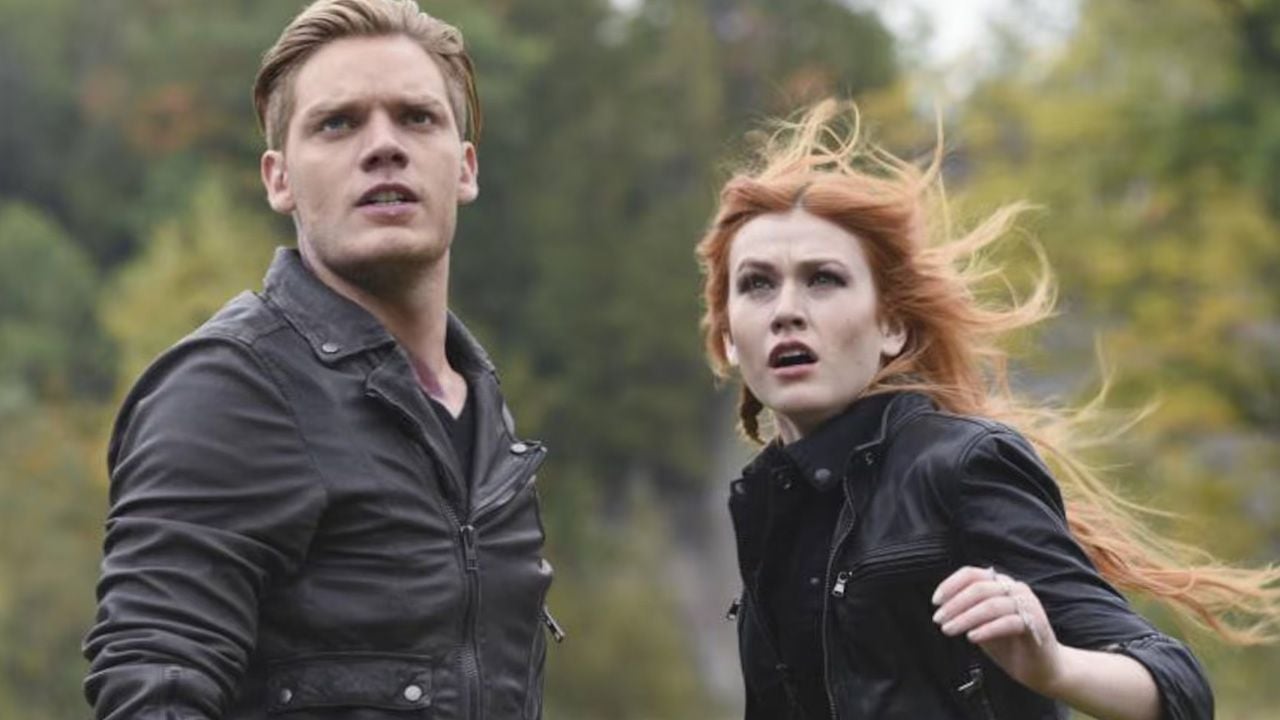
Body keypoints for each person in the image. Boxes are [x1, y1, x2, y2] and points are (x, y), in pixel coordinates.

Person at [696, 99, 1280, 720]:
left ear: (891, 325)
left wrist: (1053, 665)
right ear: (729, 335)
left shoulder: (959, 466)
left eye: (823, 279)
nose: (786, 310)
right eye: (757, 284)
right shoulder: (766, 507)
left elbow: (1179, 686)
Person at [82, 1, 558, 718]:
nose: (384, 146)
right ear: (279, 180)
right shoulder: (229, 390)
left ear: (465, 168)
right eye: (338, 124)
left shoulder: (485, 417)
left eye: (417, 118)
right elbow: (153, 688)